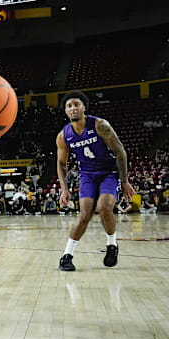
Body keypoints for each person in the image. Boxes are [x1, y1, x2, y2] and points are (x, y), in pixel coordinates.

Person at [56, 91, 134, 271]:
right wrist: (64, 189)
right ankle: (66, 256)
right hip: (87, 176)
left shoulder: (100, 125)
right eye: (69, 106)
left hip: (108, 173)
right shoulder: (63, 135)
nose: (73, 108)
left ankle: (112, 245)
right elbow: (61, 163)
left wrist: (124, 180)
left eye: (76, 104)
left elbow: (120, 151)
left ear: (84, 107)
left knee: (104, 207)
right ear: (66, 111)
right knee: (84, 214)